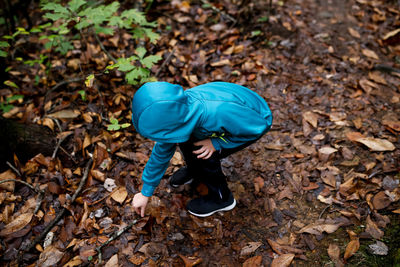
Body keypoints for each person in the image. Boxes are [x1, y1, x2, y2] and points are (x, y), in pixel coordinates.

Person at [131, 81, 272, 217]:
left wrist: (216, 143)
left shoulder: (218, 112)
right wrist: (146, 191)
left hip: (253, 120)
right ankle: (194, 171)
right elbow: (162, 152)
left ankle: (222, 199)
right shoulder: (178, 112)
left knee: (205, 157)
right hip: (225, 121)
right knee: (187, 142)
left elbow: (259, 127)